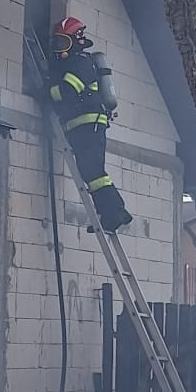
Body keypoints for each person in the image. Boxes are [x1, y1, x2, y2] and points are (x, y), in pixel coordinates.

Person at [47, 18, 133, 233]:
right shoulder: (74, 63)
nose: (60, 49)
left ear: (76, 41)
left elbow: (67, 91)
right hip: (83, 126)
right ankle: (114, 213)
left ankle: (115, 213)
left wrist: (44, 91)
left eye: (64, 43)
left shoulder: (81, 63)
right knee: (92, 173)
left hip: (88, 125)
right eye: (57, 43)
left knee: (93, 172)